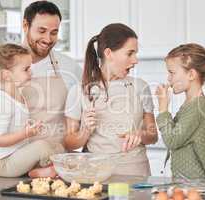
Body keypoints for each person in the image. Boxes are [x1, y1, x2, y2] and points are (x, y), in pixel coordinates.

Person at [0, 1, 82, 176]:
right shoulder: (1, 65)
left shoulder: (70, 67)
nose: (48, 39)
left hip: (54, 169)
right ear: (25, 25)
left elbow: (78, 117)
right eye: (41, 31)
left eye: (54, 32)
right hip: (13, 164)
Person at [64, 23, 158, 176]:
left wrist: (140, 135)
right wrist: (85, 131)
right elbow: (69, 141)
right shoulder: (79, 91)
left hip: (136, 172)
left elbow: (153, 135)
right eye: (130, 53)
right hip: (96, 173)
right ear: (109, 53)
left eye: (136, 54)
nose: (135, 60)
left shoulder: (140, 87)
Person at [0, 43, 61, 177]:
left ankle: (45, 170)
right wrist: (25, 133)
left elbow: (16, 124)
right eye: (26, 69)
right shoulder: (4, 102)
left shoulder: (18, 94)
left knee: (57, 147)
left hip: (15, 156)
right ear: (6, 75)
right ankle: (39, 172)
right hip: (3, 163)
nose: (31, 72)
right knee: (41, 147)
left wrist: (30, 126)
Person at [155, 43, 205, 179]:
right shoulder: (191, 105)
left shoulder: (199, 106)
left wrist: (163, 108)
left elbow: (172, 140)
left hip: (198, 185)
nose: (168, 78)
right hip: (188, 184)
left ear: (191, 74)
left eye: (172, 72)